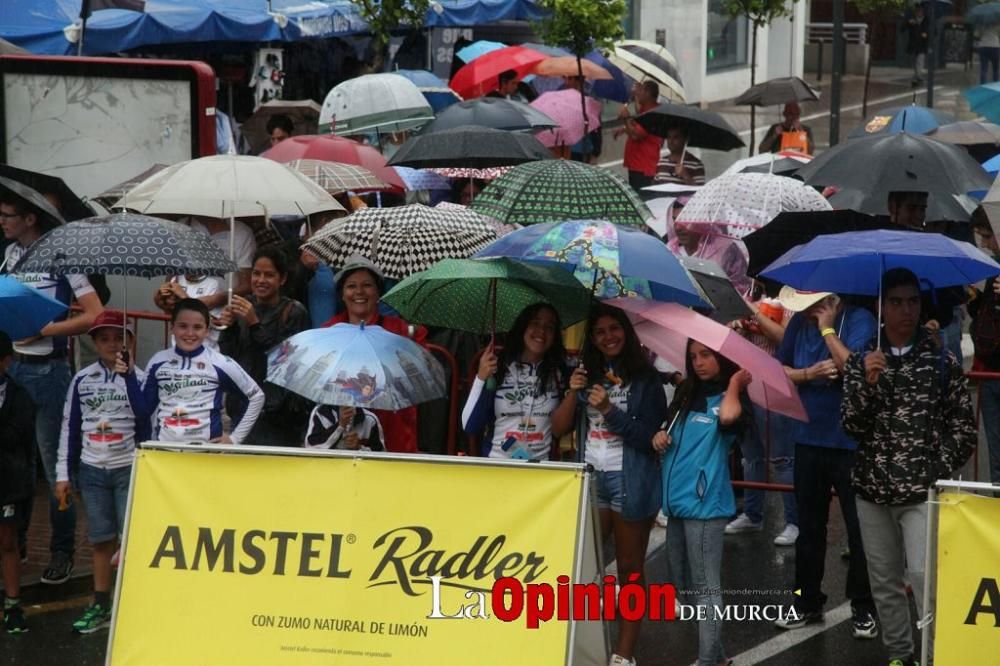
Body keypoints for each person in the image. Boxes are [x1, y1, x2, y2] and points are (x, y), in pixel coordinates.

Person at [842, 268, 976, 666]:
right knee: (883, 582)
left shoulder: (941, 361)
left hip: (923, 493)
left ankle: (934, 656)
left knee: (924, 579)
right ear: (881, 307)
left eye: (913, 301)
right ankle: (900, 655)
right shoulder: (862, 360)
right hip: (871, 492)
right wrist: (868, 384)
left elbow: (964, 429)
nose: (906, 310)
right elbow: (851, 426)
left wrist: (934, 466)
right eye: (896, 302)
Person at [1, 194, 104, 585]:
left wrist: (45, 330)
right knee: (16, 461)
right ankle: (19, 542)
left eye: (8, 215)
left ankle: (62, 551)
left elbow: (95, 314)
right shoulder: (10, 254)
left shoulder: (64, 256)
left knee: (54, 464)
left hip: (50, 371)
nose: (2, 221)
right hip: (13, 370)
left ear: (31, 217)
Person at [773, 287, 879, 639]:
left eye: (811, 306)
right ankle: (806, 602)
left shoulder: (860, 319)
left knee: (859, 528)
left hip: (850, 440)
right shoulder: (797, 326)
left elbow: (854, 368)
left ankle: (863, 608)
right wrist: (809, 375)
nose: (805, 312)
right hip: (807, 436)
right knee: (809, 529)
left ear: (830, 299)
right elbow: (777, 370)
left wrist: (828, 328)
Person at [569, 303, 666, 666]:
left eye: (614, 328)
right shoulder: (586, 375)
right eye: (599, 331)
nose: (608, 336)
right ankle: (578, 643)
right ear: (591, 339)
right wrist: (572, 390)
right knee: (581, 564)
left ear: (626, 331)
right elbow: (563, 426)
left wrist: (610, 410)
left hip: (630, 479)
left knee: (630, 569)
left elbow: (648, 437)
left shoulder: (646, 379)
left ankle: (624, 654)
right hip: (590, 479)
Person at [655, 340, 751, 666]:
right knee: (682, 584)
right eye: (693, 356)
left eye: (706, 355)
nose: (698, 362)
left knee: (706, 586)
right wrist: (659, 436)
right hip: (677, 504)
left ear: (722, 358)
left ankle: (708, 660)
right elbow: (666, 432)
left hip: (705, 505)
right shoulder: (685, 395)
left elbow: (727, 419)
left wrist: (736, 382)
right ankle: (719, 657)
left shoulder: (730, 397)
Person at [55, 311, 147, 634]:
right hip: (92, 470)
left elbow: (147, 421)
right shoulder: (82, 379)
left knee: (131, 542)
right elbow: (70, 427)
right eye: (104, 338)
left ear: (130, 341)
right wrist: (62, 475)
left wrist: (130, 376)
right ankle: (100, 604)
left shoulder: (142, 377)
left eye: (119, 337)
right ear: (93, 343)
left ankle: (134, 603)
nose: (112, 344)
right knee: (101, 541)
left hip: (128, 469)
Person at [122, 299, 264, 445]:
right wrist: (129, 375)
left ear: (207, 330)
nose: (190, 333)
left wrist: (235, 439)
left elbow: (256, 396)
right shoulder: (158, 361)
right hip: (166, 453)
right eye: (183, 326)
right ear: (172, 328)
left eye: (197, 327)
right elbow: (142, 412)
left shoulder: (220, 362)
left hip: (206, 455)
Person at [322, 256, 427, 453]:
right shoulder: (329, 332)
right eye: (351, 286)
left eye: (367, 285)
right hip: (344, 442)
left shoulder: (401, 332)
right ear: (342, 294)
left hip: (394, 438)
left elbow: (419, 376)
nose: (359, 292)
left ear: (378, 292)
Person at [219, 248, 310, 445]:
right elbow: (228, 355)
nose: (261, 280)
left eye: (269, 275)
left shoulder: (294, 311)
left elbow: (283, 359)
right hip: (243, 407)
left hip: (276, 413)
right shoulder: (242, 306)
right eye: (256, 274)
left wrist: (254, 323)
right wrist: (229, 327)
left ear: (282, 279)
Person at [462, 303, 577, 461]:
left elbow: (562, 429)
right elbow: (470, 425)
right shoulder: (498, 366)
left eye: (549, 327)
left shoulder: (560, 372)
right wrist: (481, 378)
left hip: (543, 472)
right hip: (497, 466)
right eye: (535, 323)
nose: (541, 332)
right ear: (523, 326)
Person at [0, 331, 35, 634]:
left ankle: (13, 605)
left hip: (7, 482)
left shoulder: (19, 395)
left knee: (7, 542)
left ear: (6, 362)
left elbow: (15, 437)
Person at [969, 214, 1000, 484]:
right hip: (990, 373)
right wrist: (974, 300)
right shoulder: (991, 271)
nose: (987, 244)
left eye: (989, 236)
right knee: (996, 461)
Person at [667, 222, 751, 296]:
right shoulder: (669, 250)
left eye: (684, 222)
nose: (678, 228)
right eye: (674, 220)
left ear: (701, 223)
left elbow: (742, 287)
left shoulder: (725, 248)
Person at [189, 216, 257, 300]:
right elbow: (170, 277)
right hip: (185, 304)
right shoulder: (182, 226)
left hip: (227, 306)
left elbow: (247, 285)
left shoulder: (241, 232)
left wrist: (217, 299)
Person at [153, 273, 226, 351]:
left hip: (206, 349)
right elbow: (171, 315)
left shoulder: (213, 284)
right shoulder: (175, 280)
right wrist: (160, 301)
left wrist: (184, 296)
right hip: (177, 348)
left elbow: (211, 322)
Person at [614, 80, 663, 192]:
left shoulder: (652, 113)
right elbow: (637, 124)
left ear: (648, 94)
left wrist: (626, 118)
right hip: (637, 165)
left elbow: (637, 135)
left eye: (640, 91)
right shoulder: (645, 109)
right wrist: (625, 128)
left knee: (643, 201)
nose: (638, 93)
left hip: (643, 168)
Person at [305, 405, 384, 451]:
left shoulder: (370, 419)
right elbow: (311, 448)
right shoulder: (320, 413)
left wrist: (358, 447)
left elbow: (381, 454)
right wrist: (340, 426)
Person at [563, 75, 603, 163]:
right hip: (567, 150)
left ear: (578, 80)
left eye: (570, 79)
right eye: (564, 78)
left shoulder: (588, 100)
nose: (566, 82)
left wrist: (595, 152)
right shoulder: (562, 99)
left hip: (583, 150)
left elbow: (596, 127)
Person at [904, 5, 929, 85]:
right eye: (917, 11)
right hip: (913, 44)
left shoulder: (927, 20)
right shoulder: (912, 20)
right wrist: (908, 23)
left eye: (920, 10)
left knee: (920, 61)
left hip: (922, 44)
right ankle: (917, 75)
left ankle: (918, 76)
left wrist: (926, 34)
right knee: (914, 61)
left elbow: (933, 31)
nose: (919, 12)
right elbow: (902, 28)